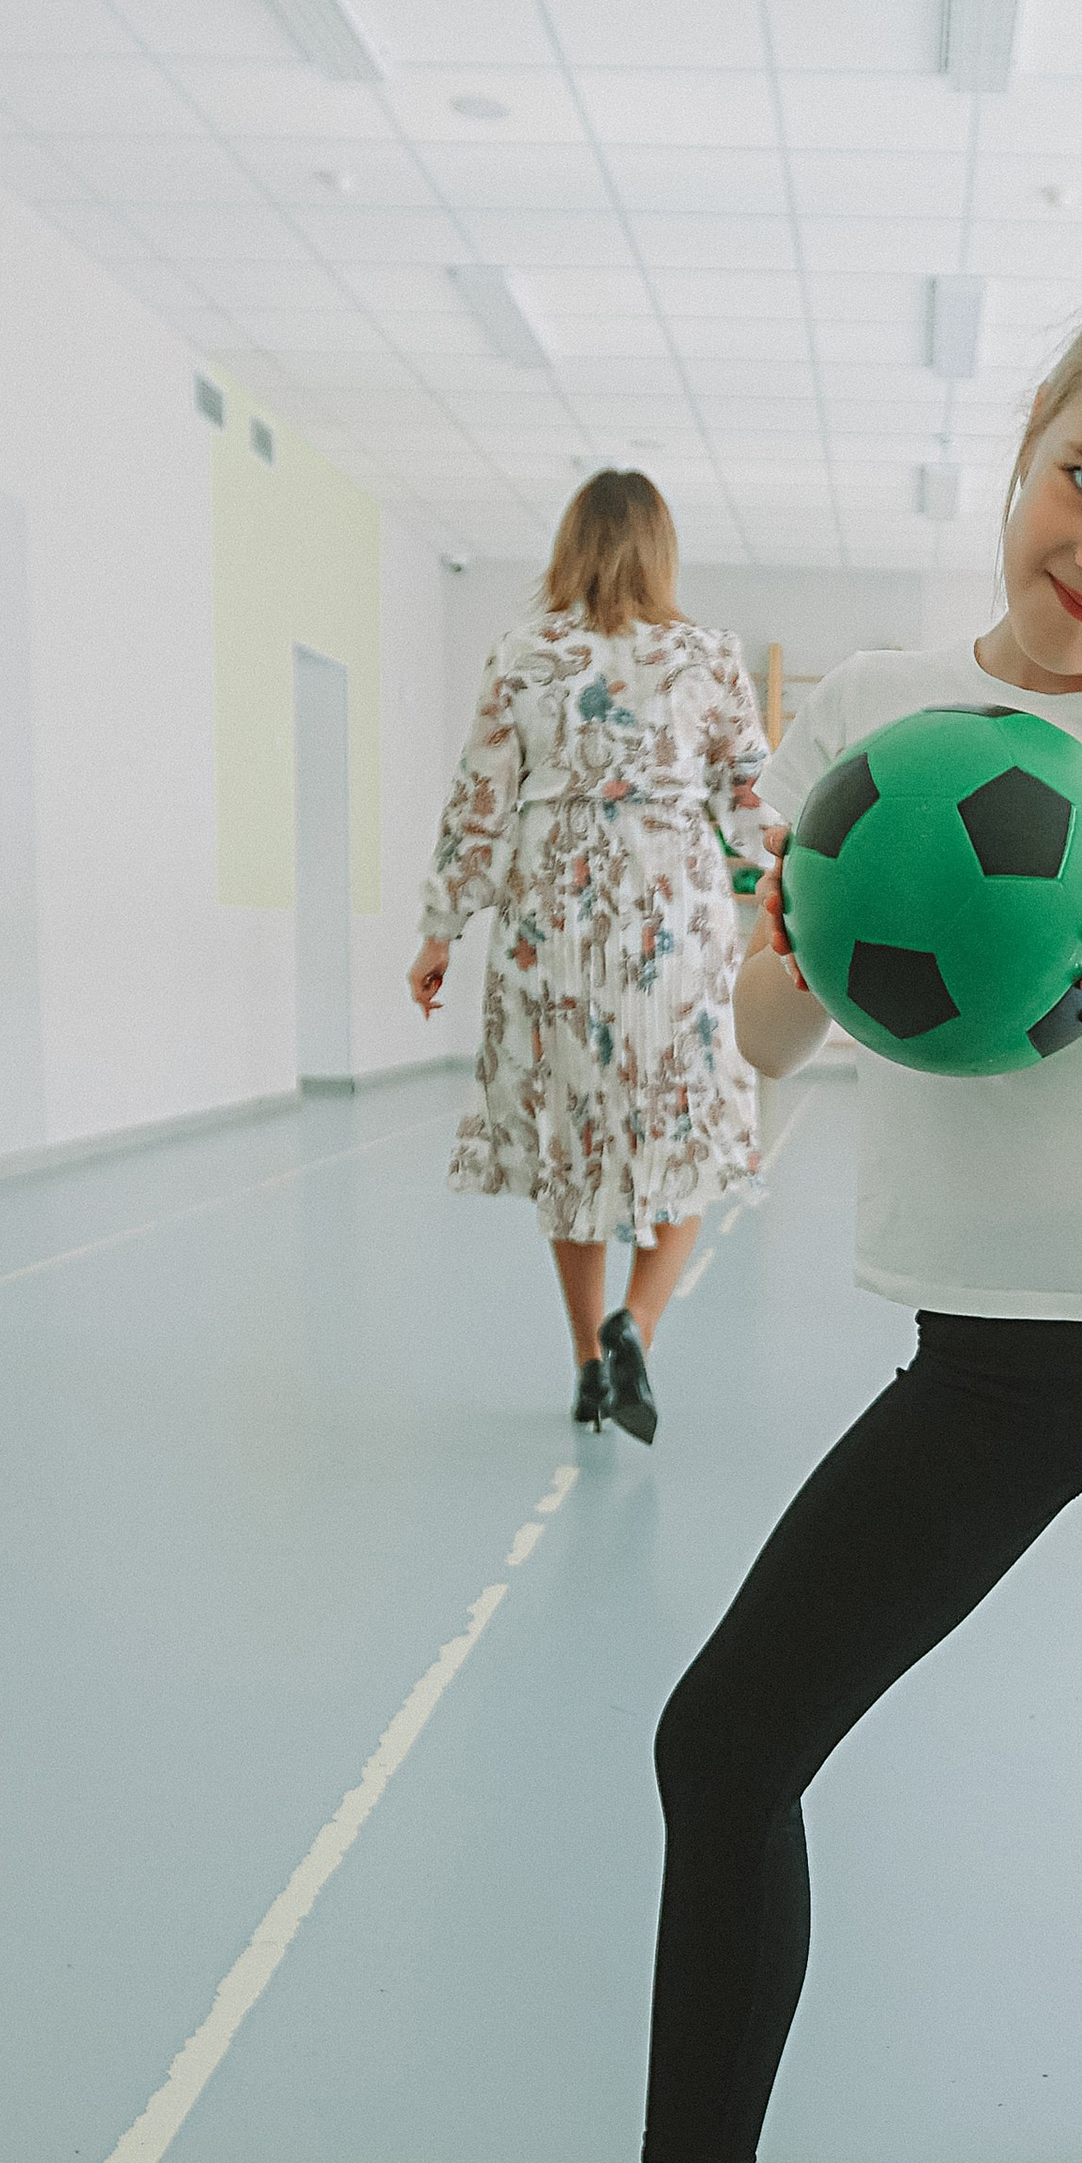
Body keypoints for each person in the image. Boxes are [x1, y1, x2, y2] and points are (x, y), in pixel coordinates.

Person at [443, 251, 1082, 2163]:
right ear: (1028, 438)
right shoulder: (864, 715)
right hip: (988, 1343)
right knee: (728, 1739)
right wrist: (787, 935)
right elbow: (768, 1034)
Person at [407, 471, 765, 1442]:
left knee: (572, 1148)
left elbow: (478, 803)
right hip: (673, 925)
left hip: (552, 926)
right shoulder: (709, 658)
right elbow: (749, 807)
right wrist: (796, 898)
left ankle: (583, 1365)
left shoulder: (524, 655)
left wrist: (442, 929)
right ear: (662, 549)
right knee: (682, 1142)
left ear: (570, 544)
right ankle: (634, 1326)